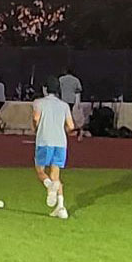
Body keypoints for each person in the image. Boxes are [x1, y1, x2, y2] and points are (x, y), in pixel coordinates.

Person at [32, 84, 74, 219]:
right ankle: (61, 208)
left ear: (45, 89)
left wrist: (35, 128)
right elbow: (71, 126)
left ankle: (50, 186)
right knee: (56, 175)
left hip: (45, 140)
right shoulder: (64, 105)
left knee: (40, 171)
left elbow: (36, 119)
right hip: (61, 143)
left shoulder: (39, 103)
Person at [58, 67, 83, 136]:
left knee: (62, 114)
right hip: (71, 100)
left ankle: (64, 128)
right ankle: (71, 127)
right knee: (69, 113)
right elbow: (79, 90)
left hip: (63, 99)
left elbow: (58, 88)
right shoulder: (76, 80)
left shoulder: (61, 79)